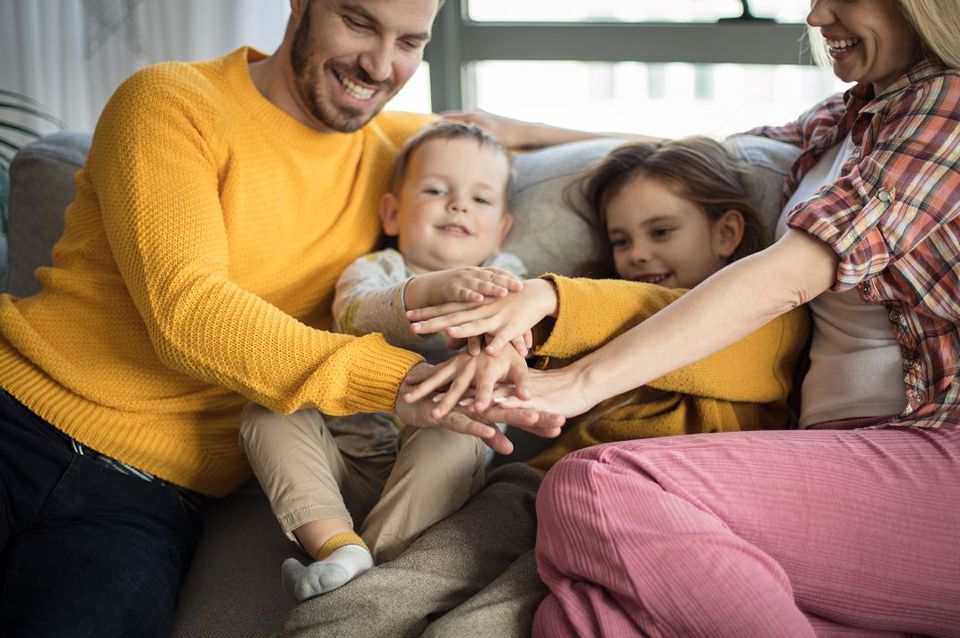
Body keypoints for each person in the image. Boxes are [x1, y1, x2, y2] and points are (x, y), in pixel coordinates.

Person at [0, 1, 564, 636]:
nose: (379, 66)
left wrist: (533, 132)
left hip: (148, 496)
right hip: (19, 415)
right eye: (358, 22)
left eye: (410, 41)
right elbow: (189, 313)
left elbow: (646, 150)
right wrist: (400, 381)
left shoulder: (400, 150)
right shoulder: (172, 100)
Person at [405, 0, 960, 634]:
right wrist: (526, 131)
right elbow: (707, 153)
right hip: (833, 453)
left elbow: (790, 273)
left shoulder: (946, 105)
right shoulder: (847, 118)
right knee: (572, 619)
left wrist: (577, 380)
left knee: (596, 484)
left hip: (935, 450)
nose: (815, 16)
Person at [239, 121, 530, 601]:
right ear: (393, 214)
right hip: (342, 468)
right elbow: (355, 316)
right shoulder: (375, 269)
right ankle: (341, 546)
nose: (457, 204)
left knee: (456, 425)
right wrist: (428, 290)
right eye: (436, 190)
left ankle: (364, 573)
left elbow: (516, 338)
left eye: (479, 199)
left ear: (500, 230)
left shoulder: (506, 278)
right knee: (266, 410)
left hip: (429, 484)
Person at [518, 136, 807, 470]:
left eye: (661, 232)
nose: (637, 254)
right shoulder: (600, 313)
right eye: (621, 241)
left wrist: (548, 301)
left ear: (725, 233)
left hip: (665, 480)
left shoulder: (773, 316)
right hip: (549, 473)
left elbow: (646, 311)